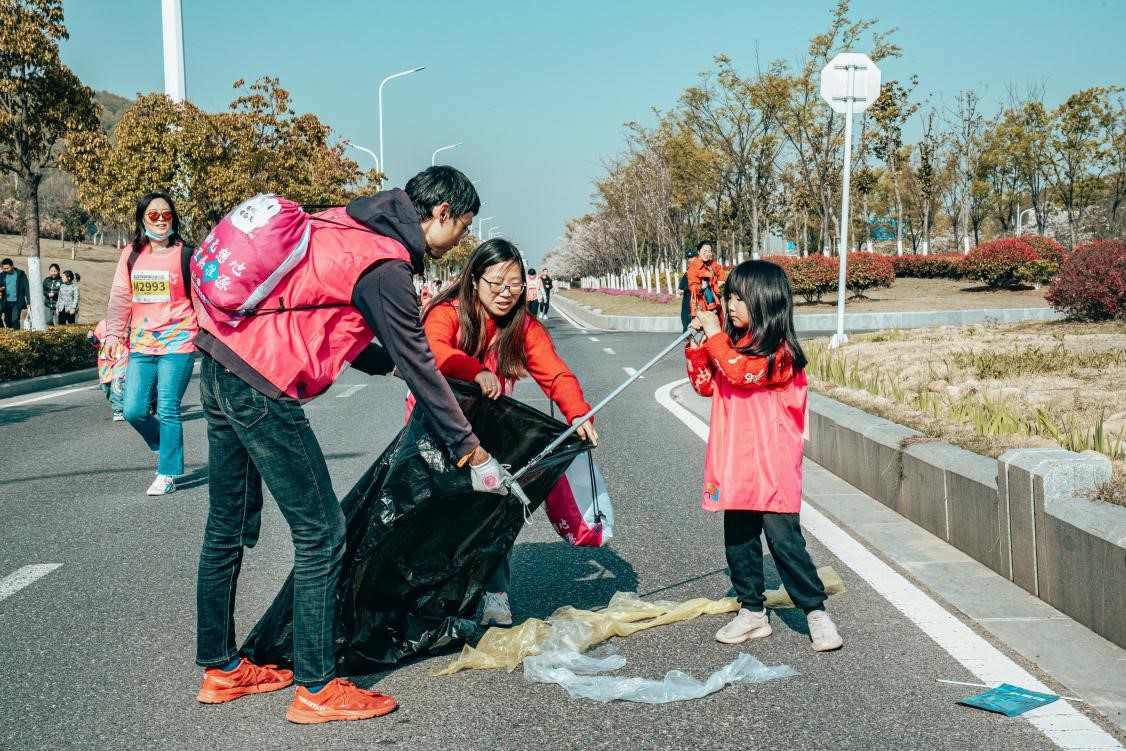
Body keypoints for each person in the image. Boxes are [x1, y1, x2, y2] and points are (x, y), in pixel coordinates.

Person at [190, 166, 512, 725]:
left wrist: (388, 365)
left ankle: (221, 668)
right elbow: (418, 363)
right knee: (323, 534)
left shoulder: (349, 222)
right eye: (462, 227)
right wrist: (471, 450)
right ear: (439, 215)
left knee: (225, 525)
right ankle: (318, 686)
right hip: (262, 385)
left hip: (220, 361)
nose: (461, 239)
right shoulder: (387, 266)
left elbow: (331, 314)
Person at [416, 239, 597, 627]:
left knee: (496, 508)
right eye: (496, 283)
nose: (505, 293)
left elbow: (556, 373)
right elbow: (434, 352)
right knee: (436, 513)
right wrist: (473, 370)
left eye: (514, 285)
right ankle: (433, 597)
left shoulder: (523, 327)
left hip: (490, 432)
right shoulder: (446, 314)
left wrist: (579, 414)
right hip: (438, 428)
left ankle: (495, 594)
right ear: (474, 279)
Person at [685, 260, 843, 653]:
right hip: (734, 461)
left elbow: (741, 373)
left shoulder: (781, 354)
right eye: (730, 297)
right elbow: (706, 385)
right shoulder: (729, 348)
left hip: (772, 466)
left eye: (741, 298)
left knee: (783, 539)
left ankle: (815, 612)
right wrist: (697, 346)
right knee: (738, 538)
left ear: (767, 302)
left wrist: (716, 337)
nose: (732, 305)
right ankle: (752, 611)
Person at [102, 192, 198, 496]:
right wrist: (113, 335)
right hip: (142, 344)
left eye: (165, 214)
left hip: (179, 341)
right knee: (132, 410)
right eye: (152, 215)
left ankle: (168, 472)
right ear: (142, 219)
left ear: (174, 217)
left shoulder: (186, 254)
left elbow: (200, 298)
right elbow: (120, 296)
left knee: (168, 407)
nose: (160, 220)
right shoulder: (131, 254)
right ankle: (164, 442)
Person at [88, 319, 128, 420]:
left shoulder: (126, 322)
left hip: (121, 359)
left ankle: (118, 410)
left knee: (117, 383)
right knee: (105, 387)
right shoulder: (102, 323)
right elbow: (96, 342)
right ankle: (120, 403)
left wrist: (127, 333)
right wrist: (91, 337)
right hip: (104, 361)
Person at [686, 241, 725, 318]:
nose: (707, 253)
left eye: (709, 251)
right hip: (702, 304)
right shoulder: (693, 267)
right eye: (704, 251)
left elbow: (720, 270)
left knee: (719, 325)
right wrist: (701, 287)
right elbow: (692, 287)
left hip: (716, 300)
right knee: (706, 326)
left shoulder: (712, 263)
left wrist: (721, 280)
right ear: (698, 251)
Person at [0, 257, 30, 329]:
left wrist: (29, 302)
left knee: (15, 320)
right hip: (5, 302)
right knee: (7, 320)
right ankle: (9, 336)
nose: (6, 270)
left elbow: (27, 288)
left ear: (12, 266)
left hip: (17, 302)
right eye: (4, 268)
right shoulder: (2, 275)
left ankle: (16, 335)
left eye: (8, 268)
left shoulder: (21, 274)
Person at [678, 248, 697, 332]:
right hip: (686, 296)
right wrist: (680, 288)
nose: (690, 259)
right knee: (684, 315)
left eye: (691, 257)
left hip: (694, 295)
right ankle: (686, 332)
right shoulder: (689, 269)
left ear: (696, 257)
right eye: (689, 258)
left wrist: (684, 289)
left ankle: (689, 333)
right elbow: (684, 280)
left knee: (690, 315)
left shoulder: (698, 268)